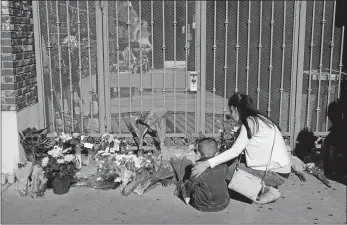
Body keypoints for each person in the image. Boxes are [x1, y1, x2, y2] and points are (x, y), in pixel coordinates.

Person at [191, 92, 291, 202]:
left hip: (275, 174)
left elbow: (235, 151)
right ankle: (263, 185)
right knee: (231, 163)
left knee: (225, 169)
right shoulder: (261, 119)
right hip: (281, 170)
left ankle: (265, 190)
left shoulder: (250, 123)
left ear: (236, 109)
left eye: (231, 111)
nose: (231, 116)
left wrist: (206, 163)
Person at [183, 138, 230, 212]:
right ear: (217, 153)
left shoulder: (197, 169)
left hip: (202, 205)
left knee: (190, 183)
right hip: (223, 203)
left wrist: (186, 194)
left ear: (198, 153)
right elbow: (226, 176)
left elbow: (190, 186)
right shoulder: (223, 166)